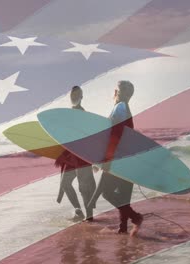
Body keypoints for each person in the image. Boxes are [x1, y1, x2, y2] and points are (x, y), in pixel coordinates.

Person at [88, 80, 143, 236]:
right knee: (124, 196)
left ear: (117, 93)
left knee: (107, 193)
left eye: (116, 91)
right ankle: (123, 229)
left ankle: (135, 217)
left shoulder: (119, 108)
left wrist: (106, 159)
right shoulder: (126, 109)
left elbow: (114, 136)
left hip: (119, 159)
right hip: (128, 158)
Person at [55, 86, 96, 221]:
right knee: (65, 183)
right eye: (72, 95)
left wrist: (94, 159)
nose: (74, 97)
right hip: (70, 156)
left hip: (82, 156)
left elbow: (89, 136)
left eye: (77, 95)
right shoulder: (68, 113)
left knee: (84, 187)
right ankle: (78, 211)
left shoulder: (83, 114)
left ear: (81, 97)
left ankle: (89, 216)